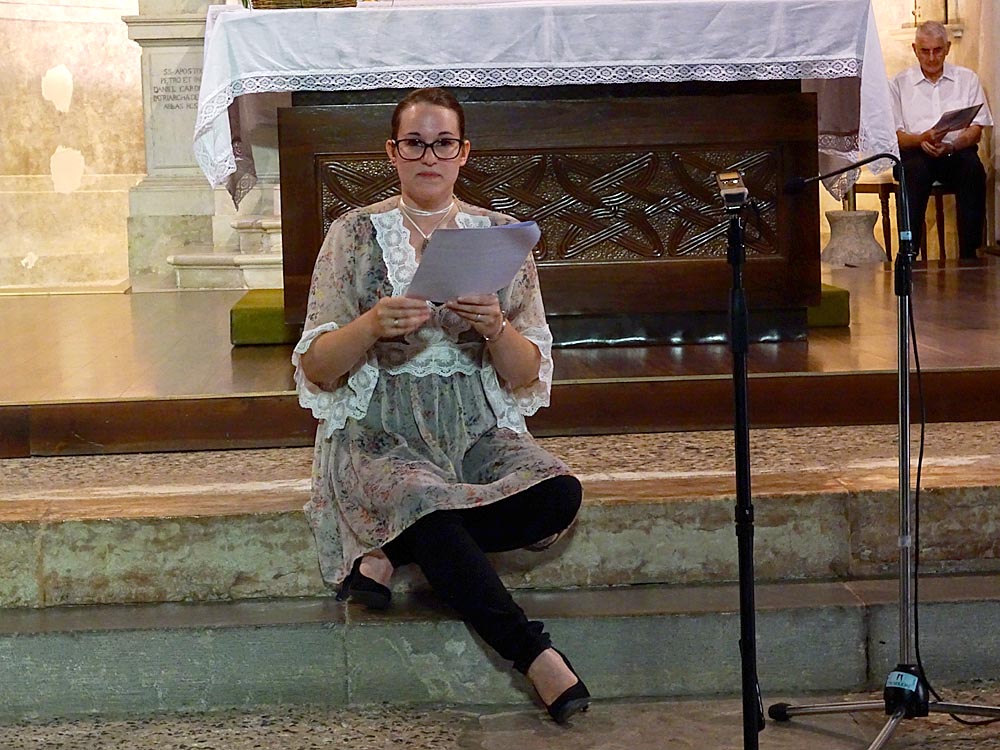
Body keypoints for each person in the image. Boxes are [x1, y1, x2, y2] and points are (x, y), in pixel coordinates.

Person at [292, 87, 589, 724]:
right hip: (380, 433)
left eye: (443, 143)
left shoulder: (498, 238)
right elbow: (317, 367)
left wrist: (495, 327)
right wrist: (369, 326)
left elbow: (525, 373)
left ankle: (391, 550)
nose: (429, 157)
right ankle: (534, 655)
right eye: (415, 143)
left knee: (558, 493)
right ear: (392, 152)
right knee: (424, 502)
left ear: (463, 153)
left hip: (473, 428)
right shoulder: (353, 234)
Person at [889, 20, 993, 260]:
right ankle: (908, 254)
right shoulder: (898, 83)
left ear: (947, 48)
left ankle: (969, 256)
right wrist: (921, 139)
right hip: (915, 153)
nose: (932, 57)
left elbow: (976, 129)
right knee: (912, 173)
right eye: (925, 51)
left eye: (937, 50)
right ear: (915, 49)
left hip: (956, 151)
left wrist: (951, 145)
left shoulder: (967, 79)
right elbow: (896, 136)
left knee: (973, 171)